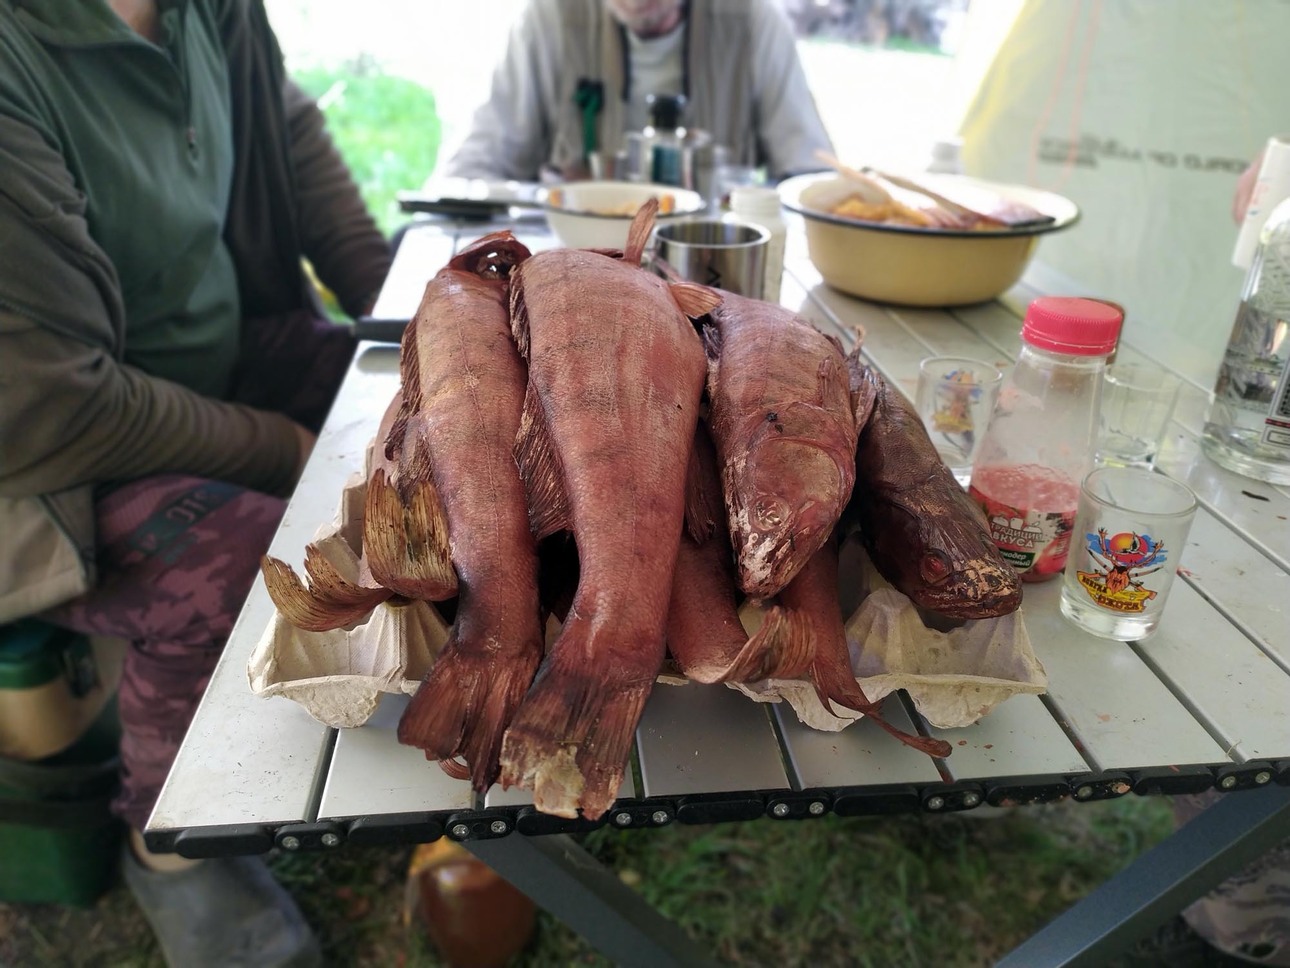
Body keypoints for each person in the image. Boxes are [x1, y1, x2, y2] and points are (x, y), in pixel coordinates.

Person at [0, 1, 392, 965]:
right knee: (256, 573)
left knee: (403, 409)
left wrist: (413, 316)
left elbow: (287, 134)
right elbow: (50, 408)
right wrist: (284, 449)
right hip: (46, 463)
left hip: (207, 366)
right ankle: (167, 846)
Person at [444, 0, 834, 183]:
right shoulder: (551, 19)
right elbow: (476, 166)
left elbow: (809, 178)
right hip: (570, 275)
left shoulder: (751, 23)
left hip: (712, 282)